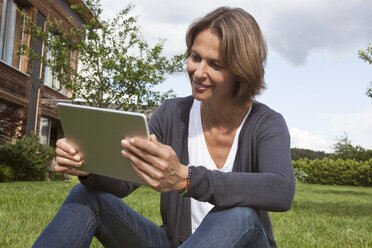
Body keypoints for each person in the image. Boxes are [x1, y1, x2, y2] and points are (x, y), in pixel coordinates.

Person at [33, 7, 295, 248]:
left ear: (241, 70)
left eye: (215, 64)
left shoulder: (266, 123)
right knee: (86, 196)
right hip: (175, 243)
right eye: (195, 57)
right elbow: (124, 182)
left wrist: (186, 178)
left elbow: (281, 190)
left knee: (241, 213)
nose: (198, 72)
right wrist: (90, 168)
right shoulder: (173, 114)